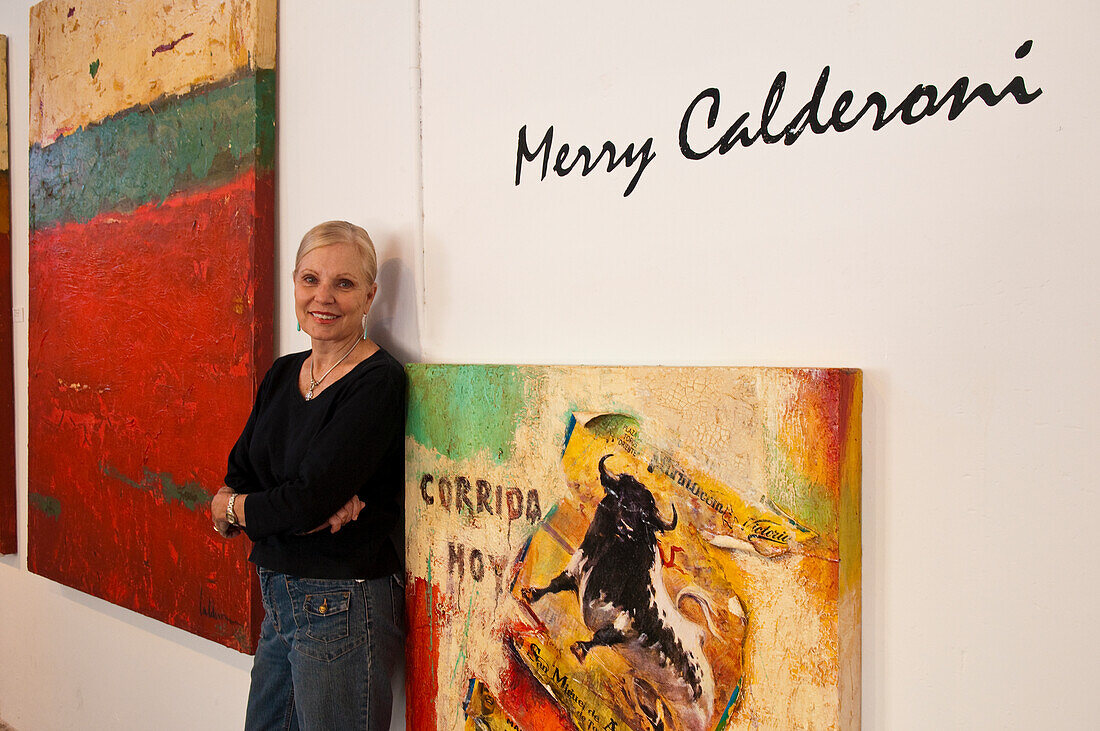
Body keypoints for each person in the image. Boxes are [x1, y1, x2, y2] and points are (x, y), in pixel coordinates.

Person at [210, 220, 406, 730]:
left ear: (370, 295)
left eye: (344, 283)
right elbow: (240, 472)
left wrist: (233, 509)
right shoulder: (282, 373)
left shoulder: (377, 381)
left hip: (340, 601)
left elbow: (305, 501)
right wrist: (271, 503)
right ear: (295, 284)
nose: (324, 296)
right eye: (310, 279)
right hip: (279, 597)